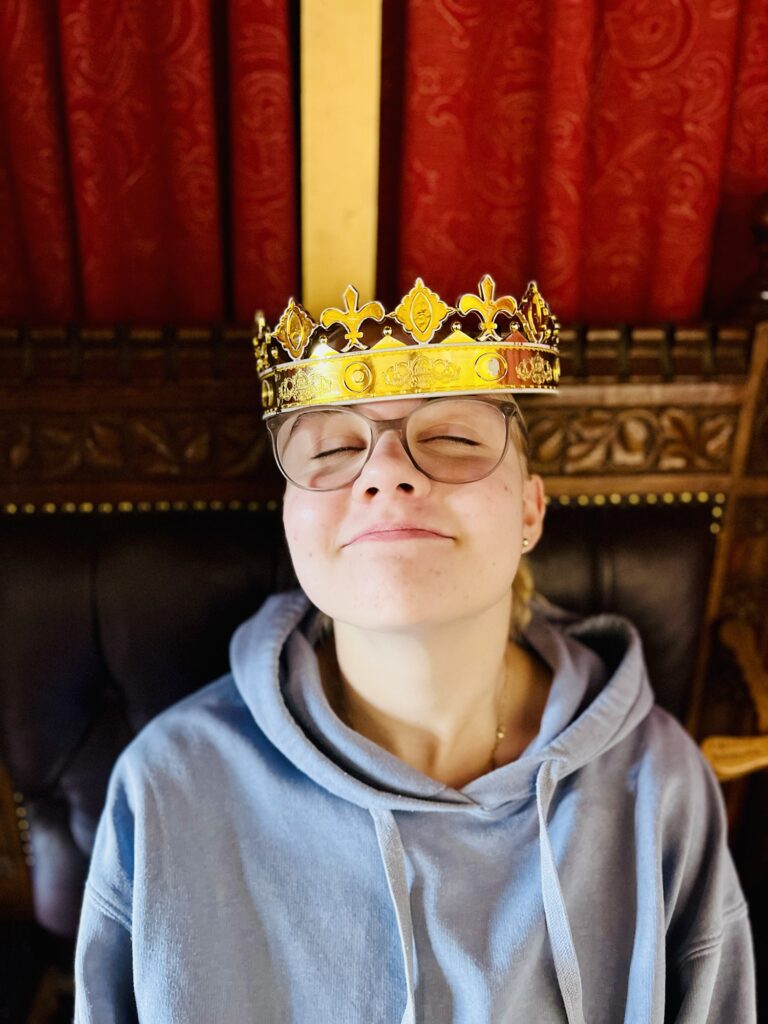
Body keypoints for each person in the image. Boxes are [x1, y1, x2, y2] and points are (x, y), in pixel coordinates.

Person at [74, 277, 756, 1023]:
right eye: (334, 448)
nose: (387, 472)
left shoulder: (660, 785)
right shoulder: (166, 785)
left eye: (454, 439)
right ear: (291, 522)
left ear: (530, 510)